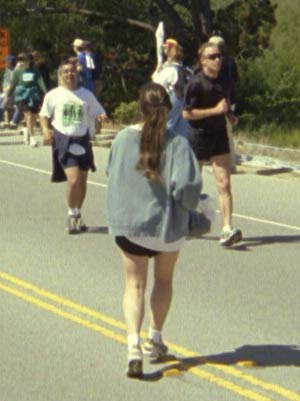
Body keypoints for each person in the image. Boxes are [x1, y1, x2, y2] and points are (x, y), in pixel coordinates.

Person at [106, 82, 202, 378]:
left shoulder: (122, 138)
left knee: (134, 285)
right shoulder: (178, 144)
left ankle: (133, 346)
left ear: (140, 107)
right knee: (163, 281)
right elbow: (186, 188)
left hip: (130, 226)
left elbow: (112, 173)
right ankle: (155, 339)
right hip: (166, 228)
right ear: (168, 109)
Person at [182, 42, 243, 247]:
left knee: (224, 183)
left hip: (219, 134)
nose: (218, 60)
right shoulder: (195, 83)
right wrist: (215, 111)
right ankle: (183, 220)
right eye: (212, 57)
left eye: (219, 56)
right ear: (203, 60)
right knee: (193, 183)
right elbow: (186, 113)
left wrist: (229, 115)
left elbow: (223, 103)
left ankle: (227, 229)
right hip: (199, 135)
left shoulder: (224, 80)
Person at [39, 59, 106, 233]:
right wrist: (46, 130)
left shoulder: (85, 94)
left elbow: (98, 111)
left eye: (72, 71)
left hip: (82, 138)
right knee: (73, 179)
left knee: (83, 180)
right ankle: (71, 213)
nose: (69, 74)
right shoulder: (53, 95)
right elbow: (44, 115)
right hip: (63, 139)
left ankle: (78, 213)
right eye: (65, 72)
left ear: (77, 74)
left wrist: (100, 118)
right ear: (60, 75)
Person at [208, 35, 239, 171]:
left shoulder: (219, 63)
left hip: (222, 100)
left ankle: (228, 164)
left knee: (223, 132)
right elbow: (235, 81)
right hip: (229, 98)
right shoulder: (231, 62)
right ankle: (225, 162)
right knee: (226, 132)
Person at [152, 38, 191, 138]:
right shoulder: (188, 71)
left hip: (172, 105)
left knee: (167, 130)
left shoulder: (169, 70)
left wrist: (156, 73)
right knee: (182, 133)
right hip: (186, 106)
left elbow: (156, 86)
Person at [5, 53, 47, 147]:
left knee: (34, 115)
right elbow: (13, 85)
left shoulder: (35, 71)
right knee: (28, 114)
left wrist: (45, 92)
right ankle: (32, 137)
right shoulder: (17, 72)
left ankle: (26, 129)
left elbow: (40, 81)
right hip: (22, 95)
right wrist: (7, 97)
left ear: (29, 61)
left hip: (33, 94)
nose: (22, 62)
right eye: (21, 60)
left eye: (24, 60)